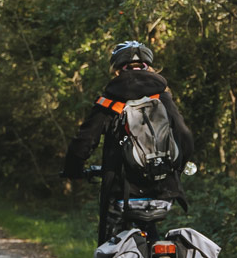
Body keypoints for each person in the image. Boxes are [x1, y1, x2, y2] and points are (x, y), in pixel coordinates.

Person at [61, 41, 196, 245]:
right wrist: (176, 167)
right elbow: (184, 136)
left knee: (109, 246)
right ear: (148, 66)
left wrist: (74, 169)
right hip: (163, 190)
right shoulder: (161, 96)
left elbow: (85, 141)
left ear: (116, 70)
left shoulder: (110, 100)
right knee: (152, 233)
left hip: (122, 192)